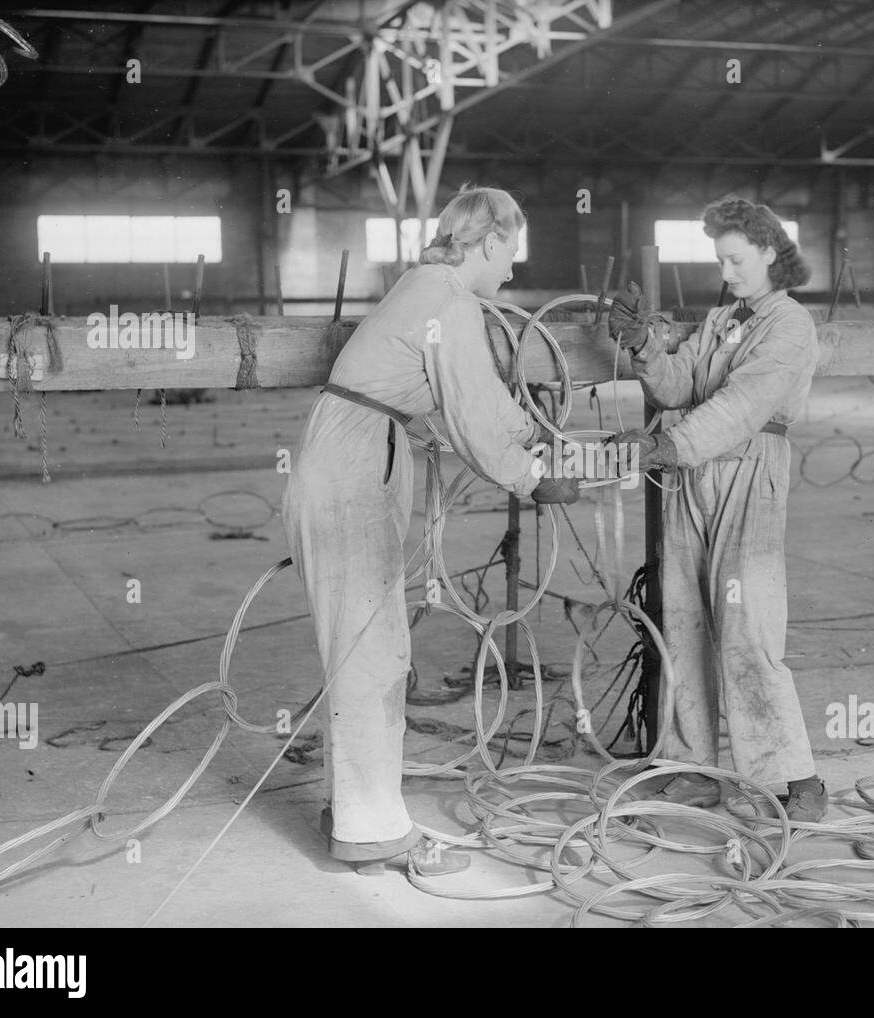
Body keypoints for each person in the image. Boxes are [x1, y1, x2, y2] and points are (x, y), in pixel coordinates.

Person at [281, 185, 579, 875]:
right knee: (372, 652)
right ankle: (370, 829)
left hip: (348, 452)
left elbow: (463, 395)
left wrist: (522, 430)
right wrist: (534, 475)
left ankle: (354, 808)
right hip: (353, 465)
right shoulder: (449, 300)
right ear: (485, 241)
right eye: (510, 251)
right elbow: (472, 408)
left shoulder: (423, 288)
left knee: (363, 646)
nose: (512, 269)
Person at [609, 195, 827, 822]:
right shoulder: (724, 318)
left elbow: (742, 406)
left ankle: (791, 777)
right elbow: (681, 385)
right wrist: (644, 347)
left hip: (746, 470)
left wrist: (667, 444)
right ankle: (691, 767)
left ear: (768, 252)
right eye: (720, 261)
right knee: (681, 620)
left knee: (747, 625)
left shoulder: (789, 326)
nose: (725, 272)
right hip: (691, 473)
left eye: (734, 260)